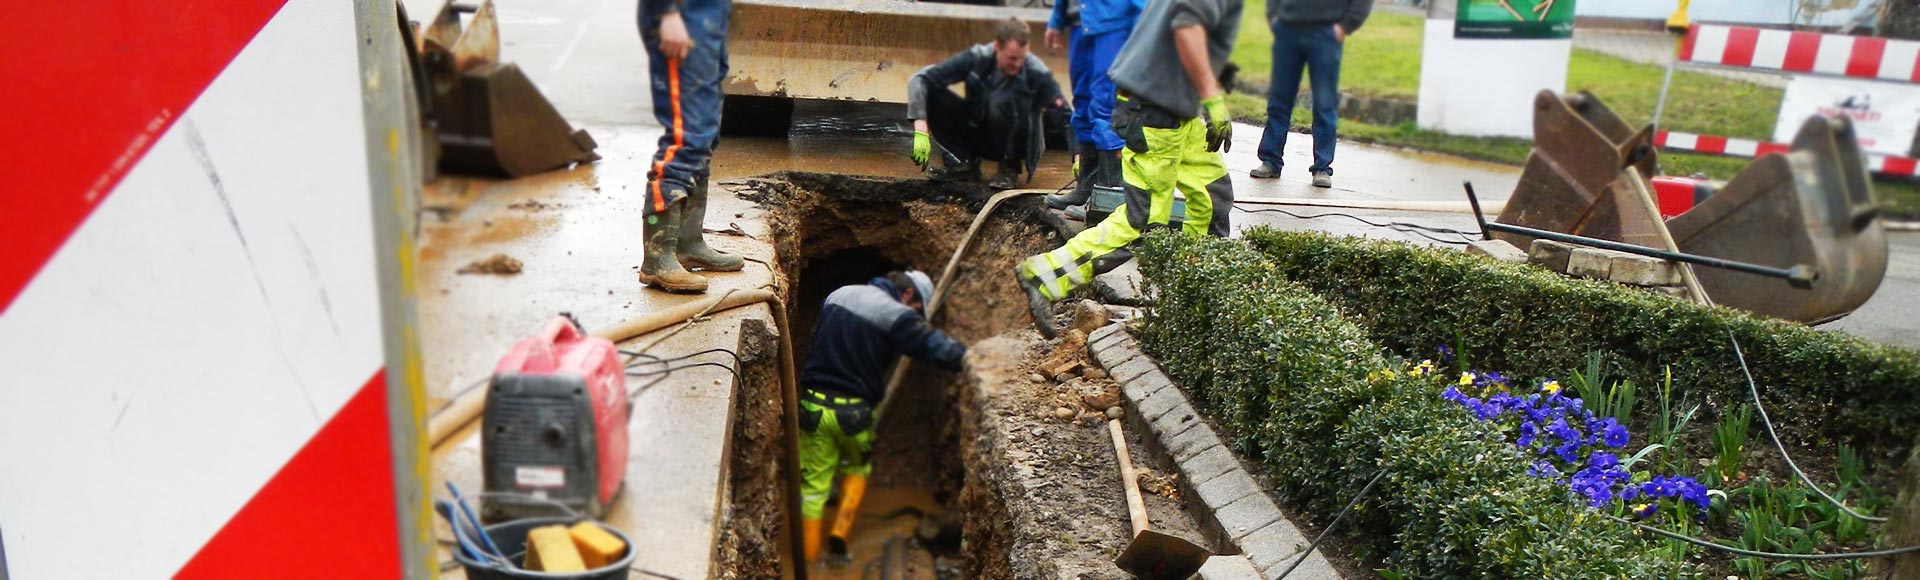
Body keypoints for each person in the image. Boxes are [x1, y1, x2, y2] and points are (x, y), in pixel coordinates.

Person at [1015, 0, 1242, 337]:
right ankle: (1044, 275)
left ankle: (1190, 294)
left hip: (1179, 110)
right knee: (1143, 219)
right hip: (1152, 114)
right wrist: (1214, 101)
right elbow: (1186, 32)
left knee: (1212, 197)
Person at [797, 270, 967, 563]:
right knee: (856, 470)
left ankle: (808, 563)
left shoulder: (839, 294)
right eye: (915, 310)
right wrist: (970, 357)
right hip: (855, 413)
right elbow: (933, 346)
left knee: (812, 488)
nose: (911, 314)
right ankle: (839, 535)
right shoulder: (895, 314)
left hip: (813, 407)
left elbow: (815, 342)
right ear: (909, 294)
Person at [636, 0, 745, 294]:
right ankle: (657, 257)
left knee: (704, 136)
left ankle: (687, 242)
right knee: (686, 140)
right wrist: (667, 12)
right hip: (682, 15)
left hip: (707, 16)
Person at [908, 18, 1071, 190]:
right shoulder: (977, 57)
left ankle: (1009, 168)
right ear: (996, 48)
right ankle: (963, 163)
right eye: (1012, 58)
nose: (1018, 64)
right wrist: (921, 129)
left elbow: (1065, 113)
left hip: (1016, 139)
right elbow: (920, 79)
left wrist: (1078, 156)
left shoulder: (1035, 71)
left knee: (1003, 100)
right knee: (933, 93)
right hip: (981, 130)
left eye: (1021, 58)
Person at [1249, 0, 1371, 189]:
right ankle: (1270, 161)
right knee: (1279, 101)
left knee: (1324, 103)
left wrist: (1345, 26)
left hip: (1326, 33)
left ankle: (1322, 168)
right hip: (1288, 31)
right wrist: (1274, 18)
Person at [1041, 0, 1147, 212]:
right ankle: (1086, 188)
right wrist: (1057, 18)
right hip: (1082, 23)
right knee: (1083, 103)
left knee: (1106, 106)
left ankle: (1109, 196)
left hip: (1114, 25)